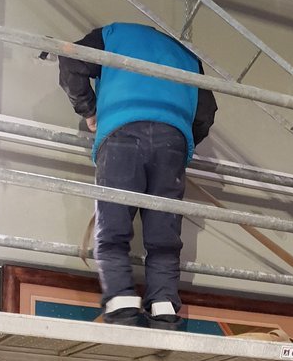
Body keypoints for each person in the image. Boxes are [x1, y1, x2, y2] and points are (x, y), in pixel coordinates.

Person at [58, 22, 217, 330]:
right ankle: (164, 305)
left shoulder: (113, 34)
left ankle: (121, 302)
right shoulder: (187, 56)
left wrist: (89, 110)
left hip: (122, 132)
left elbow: (70, 59)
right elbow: (205, 115)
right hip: (172, 141)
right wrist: (180, 143)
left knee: (113, 226)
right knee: (164, 236)